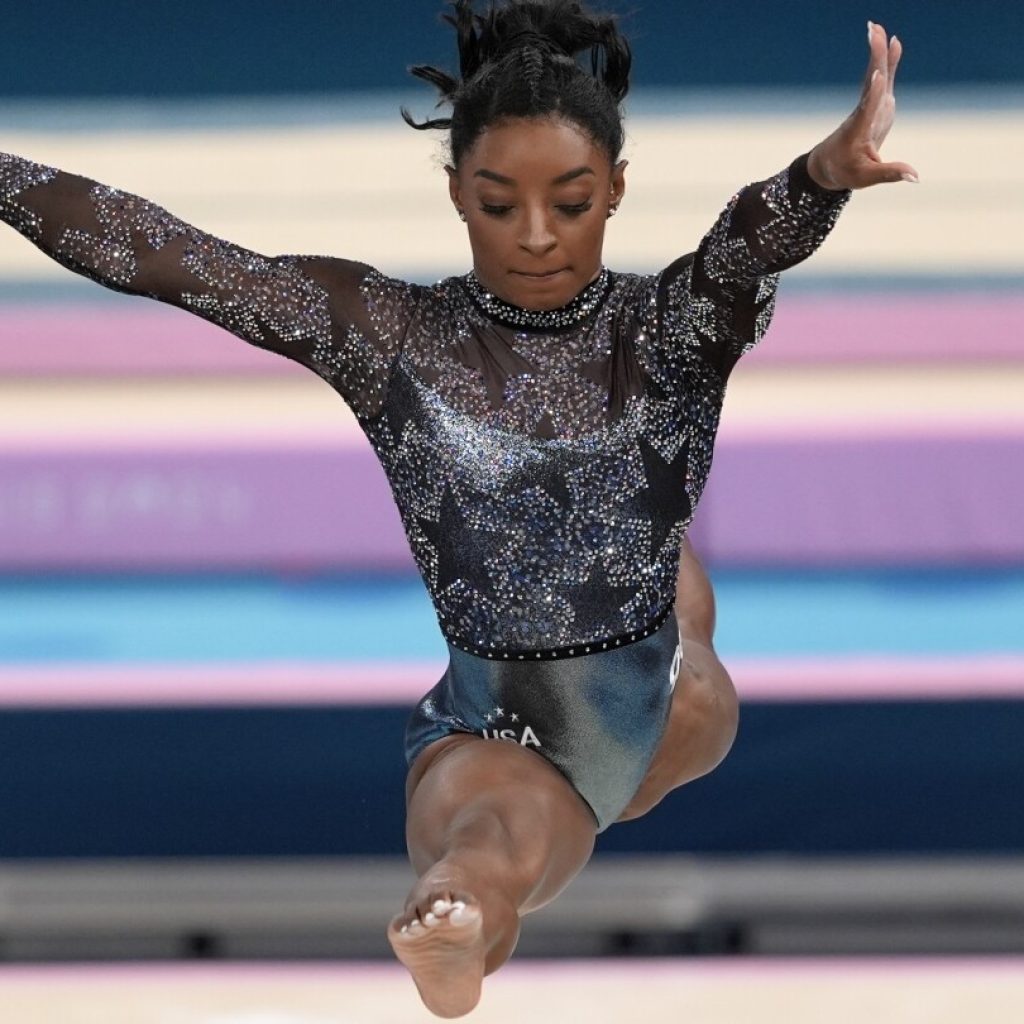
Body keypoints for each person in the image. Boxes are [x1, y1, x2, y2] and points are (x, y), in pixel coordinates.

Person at [0, 1, 916, 1016]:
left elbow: (743, 245)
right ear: (455, 195)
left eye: (569, 204)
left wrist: (823, 175)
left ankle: (645, 667)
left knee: (680, 639)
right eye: (497, 203)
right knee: (489, 842)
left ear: (615, 189)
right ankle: (451, 929)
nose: (534, 236)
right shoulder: (390, 336)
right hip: (491, 714)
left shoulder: (668, 329)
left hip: (661, 697)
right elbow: (176, 257)